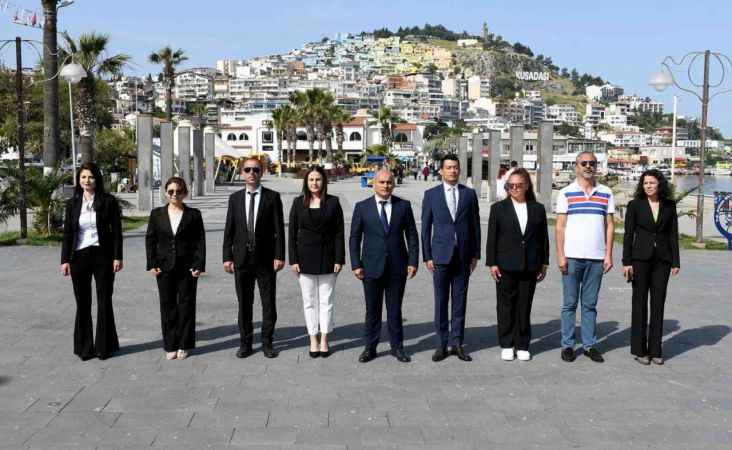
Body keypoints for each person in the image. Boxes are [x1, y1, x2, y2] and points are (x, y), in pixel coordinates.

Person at [349, 169, 419, 363]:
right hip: (370, 267)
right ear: (373, 184)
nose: (385, 186)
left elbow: (412, 235)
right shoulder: (362, 207)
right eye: (381, 182)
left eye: (389, 182)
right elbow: (355, 237)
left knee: (395, 310)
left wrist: (413, 261)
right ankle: (370, 348)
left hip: (397, 266)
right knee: (372, 310)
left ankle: (398, 348)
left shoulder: (403, 206)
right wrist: (356, 264)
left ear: (393, 184)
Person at [223, 158, 285, 359]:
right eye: (248, 169)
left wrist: (279, 255)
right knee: (244, 303)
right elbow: (229, 230)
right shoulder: (234, 199)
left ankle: (267, 342)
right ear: (242, 173)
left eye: (256, 170)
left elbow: (279, 230)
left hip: (265, 259)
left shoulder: (272, 197)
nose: (252, 173)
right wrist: (227, 257)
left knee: (268, 303)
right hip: (241, 259)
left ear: (262, 172)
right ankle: (246, 343)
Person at [60, 162, 123, 361]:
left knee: (104, 301)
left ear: (97, 179)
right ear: (79, 180)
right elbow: (68, 233)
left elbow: (117, 231)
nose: (87, 181)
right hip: (78, 257)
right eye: (83, 177)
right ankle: (84, 348)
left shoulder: (108, 201)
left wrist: (117, 256)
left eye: (91, 177)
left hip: (103, 256)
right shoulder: (72, 203)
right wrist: (65, 260)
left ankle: (105, 347)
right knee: (82, 302)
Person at [556, 152, 615, 363]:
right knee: (569, 304)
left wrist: (608, 254)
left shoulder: (606, 193)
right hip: (572, 257)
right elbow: (560, 226)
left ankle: (589, 345)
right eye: (584, 163)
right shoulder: (566, 193)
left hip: (596, 258)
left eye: (592, 163)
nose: (588, 166)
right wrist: (560, 255)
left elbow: (610, 225)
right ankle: (568, 345)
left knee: (590, 305)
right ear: (577, 166)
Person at [421, 154, 481, 362]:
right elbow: (425, 227)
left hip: (463, 256)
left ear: (459, 170)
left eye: (455, 167)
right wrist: (427, 255)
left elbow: (475, 225)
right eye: (448, 167)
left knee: (459, 301)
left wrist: (476, 254)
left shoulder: (469, 194)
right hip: (440, 256)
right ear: (441, 171)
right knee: (440, 302)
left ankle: (457, 344)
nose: (453, 171)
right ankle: (441, 345)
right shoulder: (431, 195)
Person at [486, 169, 549, 362]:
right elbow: (492, 237)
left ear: (527, 186)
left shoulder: (537, 209)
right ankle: (506, 343)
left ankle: (522, 344)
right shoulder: (498, 208)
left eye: (519, 185)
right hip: (505, 264)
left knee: (524, 306)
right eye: (510, 186)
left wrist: (544, 262)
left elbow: (543, 238)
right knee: (505, 306)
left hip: (530, 264)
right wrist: (492, 263)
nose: (514, 188)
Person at [622, 169, 680, 365]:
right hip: (640, 259)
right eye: (645, 183)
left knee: (658, 304)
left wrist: (676, 261)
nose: (648, 186)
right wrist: (626, 262)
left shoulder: (669, 205)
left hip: (662, 260)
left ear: (659, 184)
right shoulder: (635, 205)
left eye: (652, 183)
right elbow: (628, 234)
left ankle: (655, 350)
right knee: (639, 304)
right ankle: (640, 350)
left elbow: (673, 234)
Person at [145, 177, 206, 361]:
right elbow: (150, 240)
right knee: (167, 305)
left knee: (186, 305)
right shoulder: (157, 214)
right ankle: (170, 344)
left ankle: (184, 344)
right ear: (166, 193)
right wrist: (152, 264)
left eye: (178, 191)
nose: (174, 195)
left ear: (184, 193)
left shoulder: (193, 215)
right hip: (164, 267)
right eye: (171, 191)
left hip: (187, 267)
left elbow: (200, 241)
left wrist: (199, 265)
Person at [289, 166, 345, 358]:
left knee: (326, 301)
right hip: (304, 259)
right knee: (309, 301)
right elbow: (292, 233)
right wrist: (293, 259)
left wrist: (339, 258)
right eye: (311, 179)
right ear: (306, 182)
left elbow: (339, 233)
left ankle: (324, 338)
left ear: (324, 182)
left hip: (328, 258)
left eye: (318, 179)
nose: (314, 183)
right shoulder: (298, 203)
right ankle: (313, 338)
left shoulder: (333, 202)